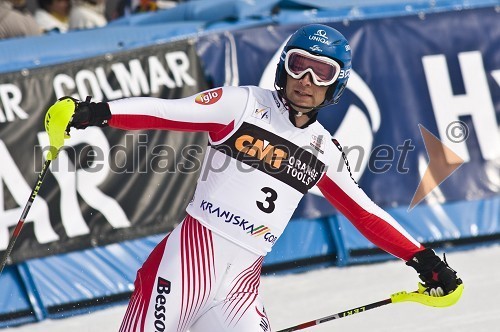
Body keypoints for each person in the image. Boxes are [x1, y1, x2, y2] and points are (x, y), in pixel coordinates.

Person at [44, 24, 463, 331]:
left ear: (337, 85)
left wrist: (423, 261)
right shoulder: (241, 105)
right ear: (283, 67)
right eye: (300, 66)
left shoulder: (325, 152)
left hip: (239, 291)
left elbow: (366, 214)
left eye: (322, 73)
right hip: (183, 265)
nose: (307, 81)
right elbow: (167, 111)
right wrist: (95, 112)